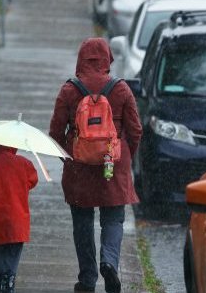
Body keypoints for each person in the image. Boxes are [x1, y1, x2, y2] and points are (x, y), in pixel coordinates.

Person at [49, 37, 143, 293]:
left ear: (81, 59)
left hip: (79, 168)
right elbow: (135, 131)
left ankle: (88, 279)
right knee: (113, 219)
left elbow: (55, 133)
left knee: (82, 223)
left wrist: (69, 158)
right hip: (112, 166)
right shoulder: (121, 89)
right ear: (107, 59)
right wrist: (123, 158)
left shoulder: (69, 90)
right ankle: (109, 262)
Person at [0, 143, 39, 293]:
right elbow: (33, 180)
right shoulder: (24, 164)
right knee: (12, 256)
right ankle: (9, 285)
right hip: (18, 222)